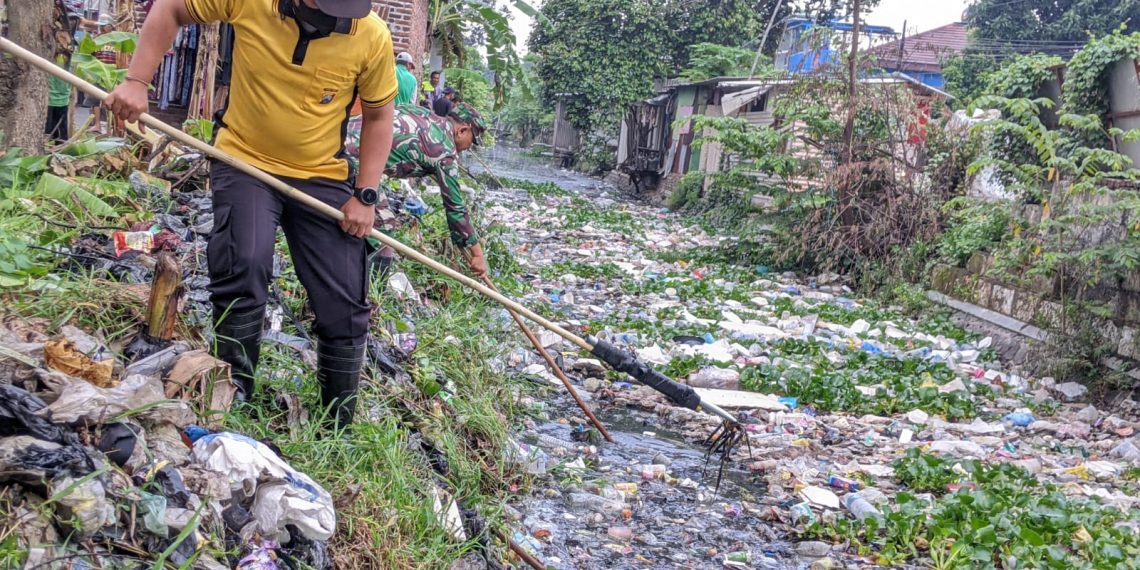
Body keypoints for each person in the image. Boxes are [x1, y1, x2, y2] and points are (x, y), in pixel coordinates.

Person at [105, 0, 398, 430]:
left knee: (343, 298)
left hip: (321, 174)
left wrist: (366, 196)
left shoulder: (371, 35)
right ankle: (235, 397)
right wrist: (136, 81)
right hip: (245, 161)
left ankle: (339, 424)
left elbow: (379, 116)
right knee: (245, 261)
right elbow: (169, 9)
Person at [344, 102, 487, 277]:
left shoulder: (422, 113)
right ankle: (369, 292)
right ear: (462, 130)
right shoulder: (445, 153)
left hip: (335, 139)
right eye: (471, 142)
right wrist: (477, 254)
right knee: (385, 231)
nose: (467, 148)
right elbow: (455, 209)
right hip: (352, 161)